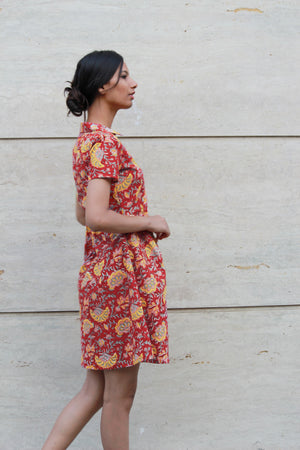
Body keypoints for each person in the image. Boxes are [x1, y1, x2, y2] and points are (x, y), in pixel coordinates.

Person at [42, 50, 170, 450]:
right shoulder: (105, 145)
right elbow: (96, 216)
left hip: (102, 276)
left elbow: (83, 214)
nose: (133, 84)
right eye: (125, 76)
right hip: (118, 280)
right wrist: (149, 221)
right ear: (102, 85)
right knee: (120, 398)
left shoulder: (87, 141)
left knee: (95, 392)